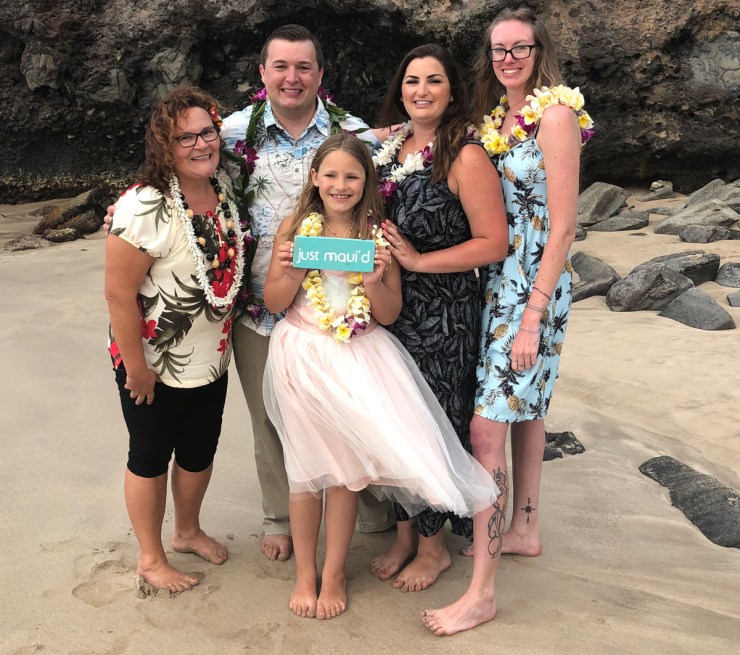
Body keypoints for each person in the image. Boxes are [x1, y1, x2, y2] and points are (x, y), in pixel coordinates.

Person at [261, 133, 499, 620]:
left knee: (345, 474)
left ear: (367, 180)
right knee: (304, 472)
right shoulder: (295, 228)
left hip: (358, 357)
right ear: (314, 177)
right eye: (330, 175)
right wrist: (292, 271)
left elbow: (389, 313)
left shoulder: (376, 235)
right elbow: (273, 301)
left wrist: (373, 280)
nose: (340, 185)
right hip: (301, 354)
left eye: (352, 176)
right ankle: (305, 573)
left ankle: (333, 573)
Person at [422, 7, 594, 635]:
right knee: (527, 406)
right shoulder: (496, 119)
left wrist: (532, 317)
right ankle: (523, 527)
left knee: (486, 428)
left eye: (520, 48)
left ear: (539, 51)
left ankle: (482, 593)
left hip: (534, 288)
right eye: (499, 49)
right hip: (498, 282)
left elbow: (564, 226)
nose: (509, 58)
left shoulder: (556, 116)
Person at [219, 25, 394, 561]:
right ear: (262, 73)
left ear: (320, 74)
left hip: (340, 313)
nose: (291, 78)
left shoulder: (354, 133)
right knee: (269, 419)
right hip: (264, 303)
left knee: (352, 415)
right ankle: (279, 516)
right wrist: (128, 207)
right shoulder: (232, 133)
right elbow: (182, 164)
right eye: (281, 66)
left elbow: (406, 166)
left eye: (303, 67)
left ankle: (371, 509)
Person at [371, 44, 508, 593]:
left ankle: (434, 549)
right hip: (390, 307)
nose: (421, 90)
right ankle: (405, 534)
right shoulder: (390, 147)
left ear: (452, 92)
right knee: (397, 420)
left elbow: (493, 242)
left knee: (435, 422)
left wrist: (419, 261)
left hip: (443, 313)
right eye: (411, 81)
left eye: (433, 81)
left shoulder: (464, 154)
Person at [105, 86, 244, 593]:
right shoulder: (144, 205)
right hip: (152, 362)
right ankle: (150, 557)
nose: (200, 144)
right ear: (164, 145)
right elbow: (118, 295)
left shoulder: (224, 188)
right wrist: (137, 369)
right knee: (149, 455)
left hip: (210, 356)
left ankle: (187, 531)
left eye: (207, 132)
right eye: (185, 138)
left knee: (199, 451)